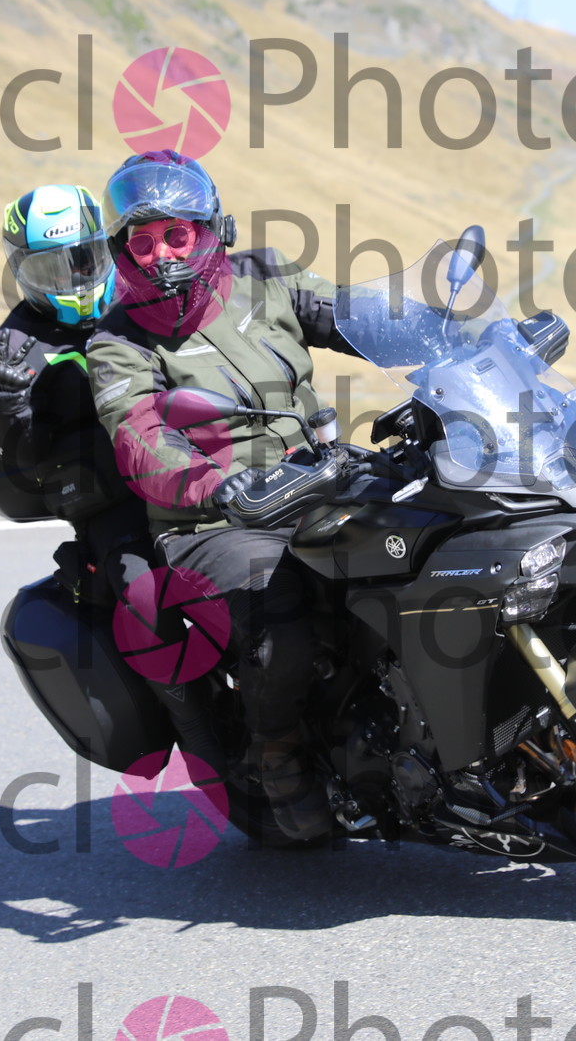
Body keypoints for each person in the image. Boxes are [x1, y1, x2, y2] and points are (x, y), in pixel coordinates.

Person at [86, 150, 359, 841]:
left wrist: (461, 332)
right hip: (211, 522)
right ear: (122, 252)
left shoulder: (266, 278)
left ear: (210, 231)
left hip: (317, 478)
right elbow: (140, 437)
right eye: (143, 243)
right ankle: (277, 756)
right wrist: (214, 482)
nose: (162, 257)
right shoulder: (117, 343)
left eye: (177, 236)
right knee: (277, 603)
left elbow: (360, 316)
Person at [0, 183, 150, 600]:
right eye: (48, 269)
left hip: (186, 467)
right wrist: (7, 403)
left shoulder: (144, 291)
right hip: (108, 499)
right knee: (144, 594)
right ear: (21, 271)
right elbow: (22, 458)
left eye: (82, 259)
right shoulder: (15, 347)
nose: (71, 278)